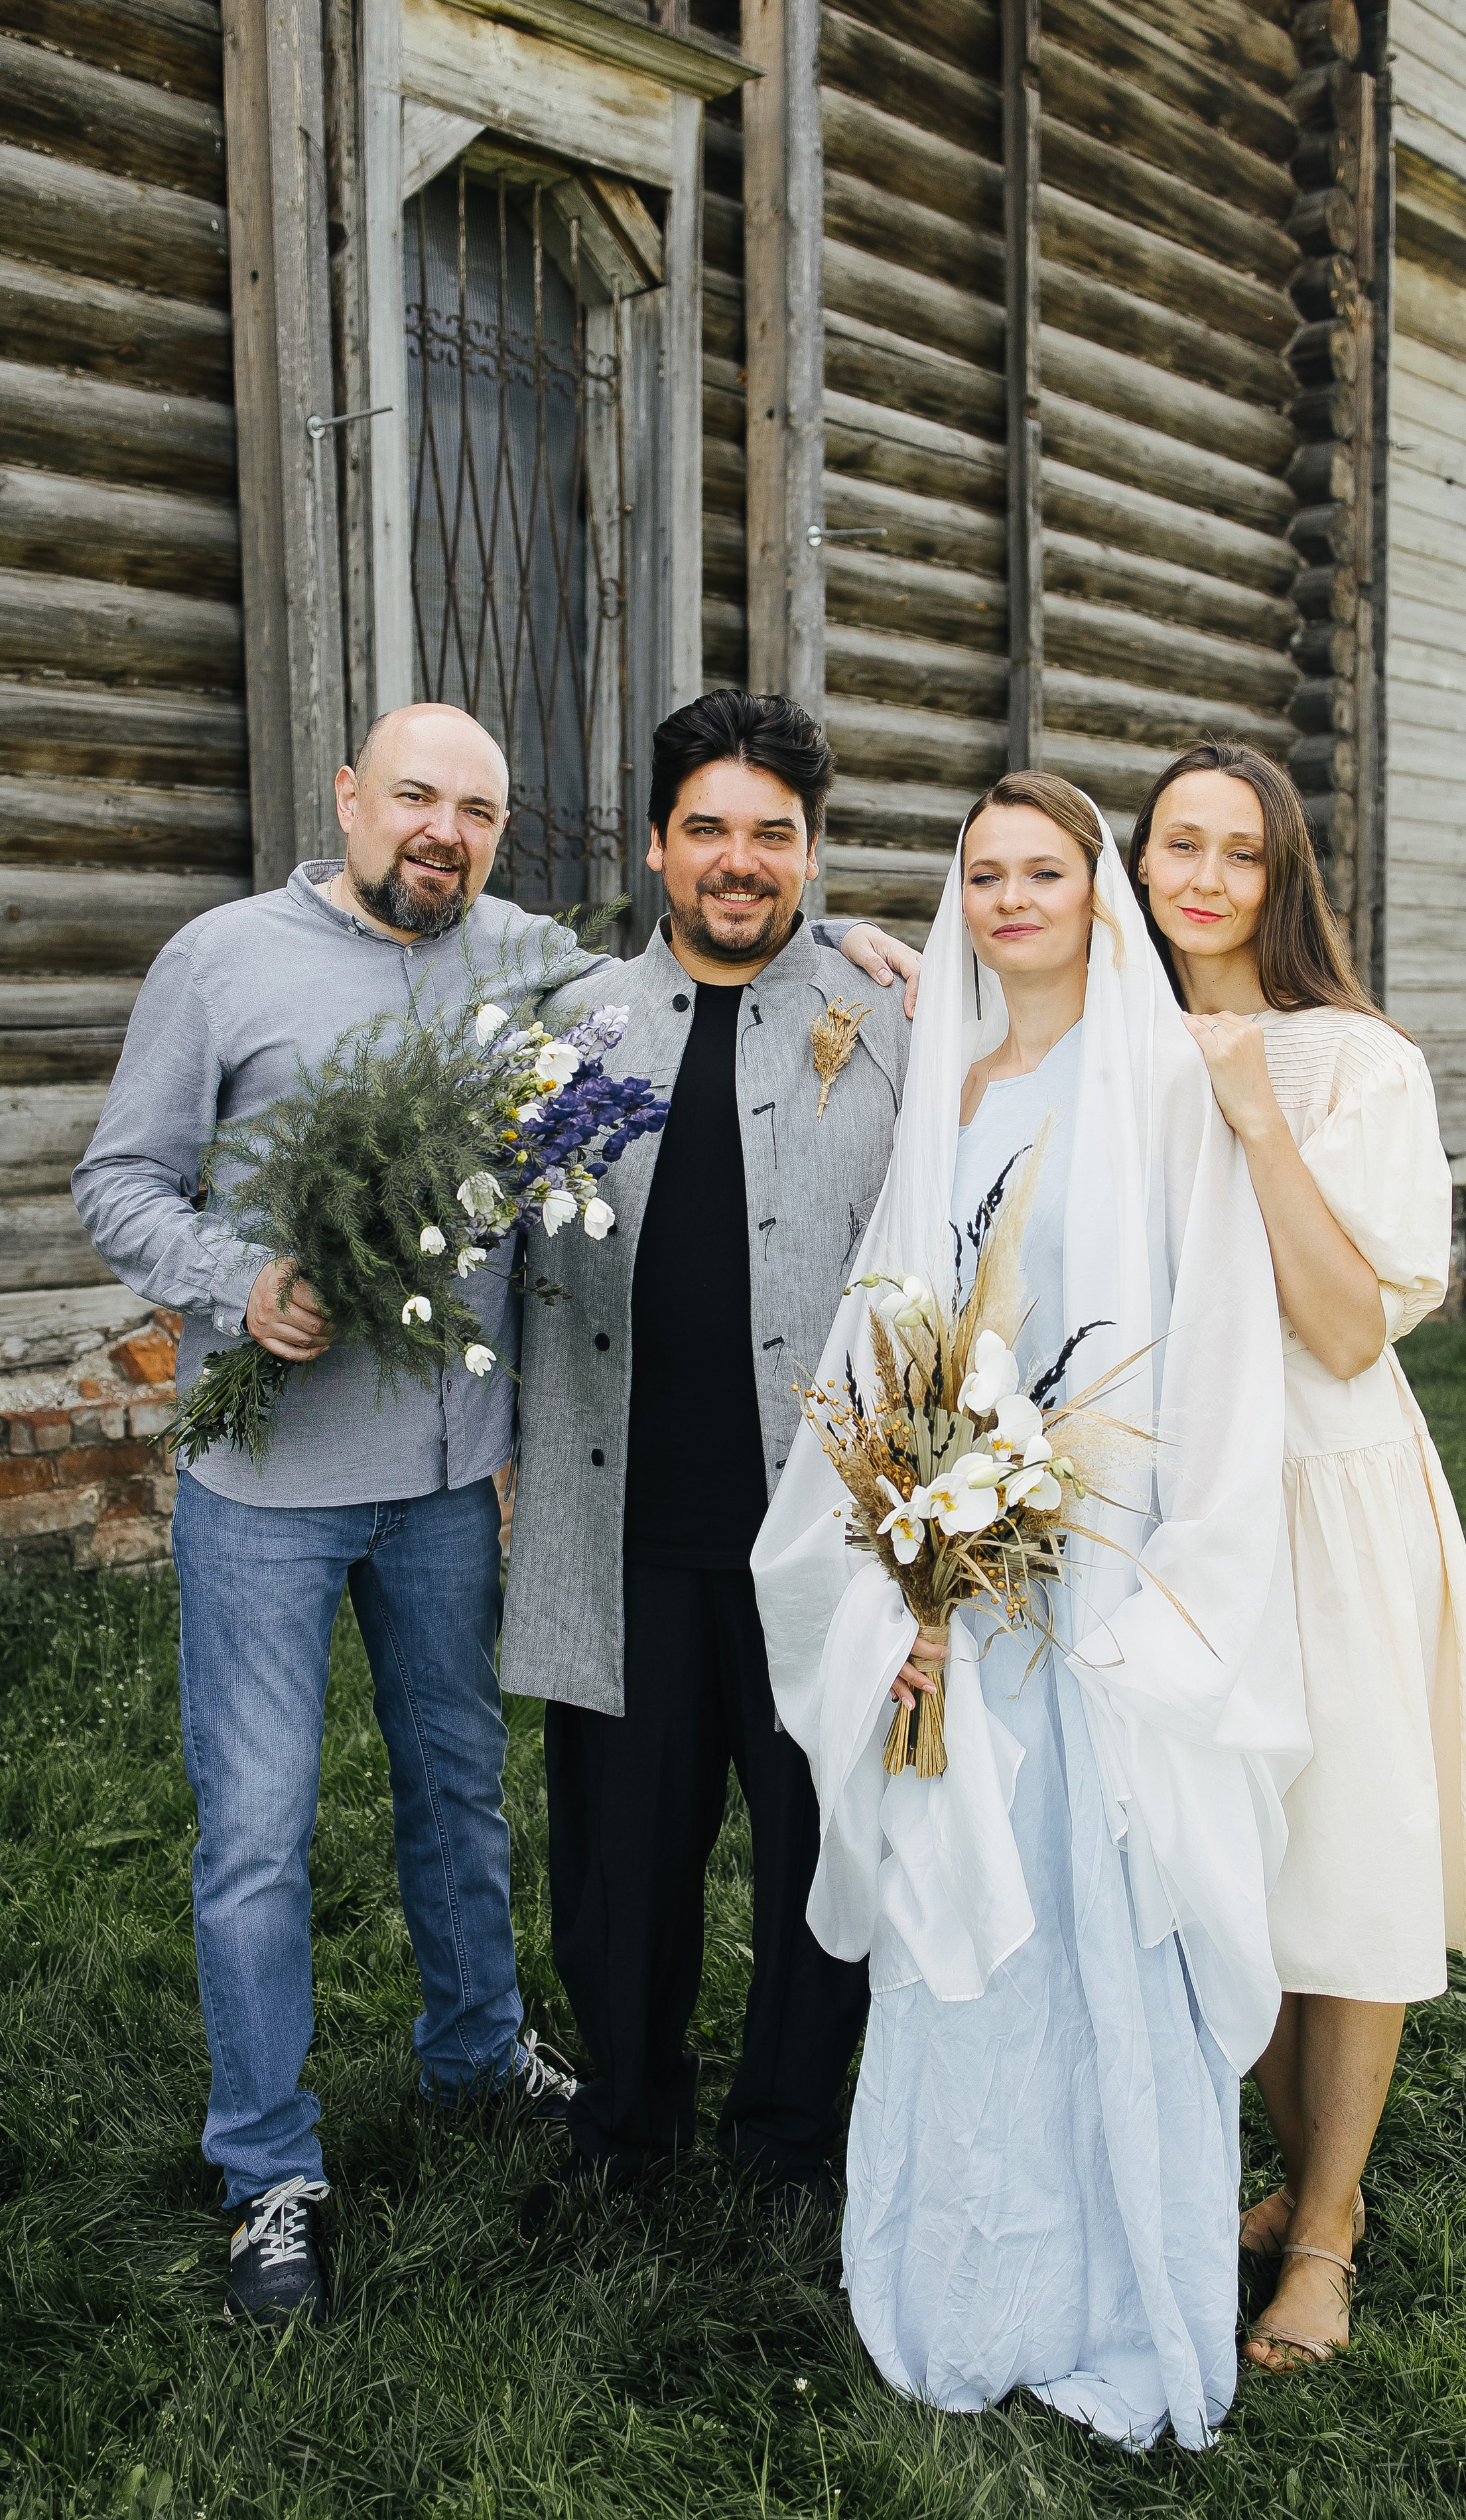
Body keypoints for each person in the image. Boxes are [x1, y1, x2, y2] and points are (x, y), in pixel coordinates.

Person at [71, 700, 913, 2327]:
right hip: (272, 1486)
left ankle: (484, 2059)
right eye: (410, 798)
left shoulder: (522, 964)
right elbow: (122, 1182)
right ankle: (270, 2166)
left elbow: (740, 930)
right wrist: (239, 1282)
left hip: (454, 1485)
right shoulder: (231, 962)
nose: (438, 831)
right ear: (346, 797)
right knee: (260, 1836)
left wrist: (869, 941)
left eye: (473, 808)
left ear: (504, 836)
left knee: (465, 1810)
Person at [752, 773, 1311, 2451]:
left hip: (1109, 1573)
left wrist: (1165, 1578)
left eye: (1041, 872)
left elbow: (1208, 1329)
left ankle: (1117, 2293)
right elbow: (895, 1320)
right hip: (963, 1583)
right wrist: (899, 1562)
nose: (1008, 899)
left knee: (1098, 1914)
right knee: (967, 1929)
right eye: (981, 875)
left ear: (1098, 891)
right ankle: (969, 2282)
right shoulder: (954, 1072)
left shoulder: (1154, 1081)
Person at [500, 688, 918, 2220]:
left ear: (811, 851)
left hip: (822, 1529)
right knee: (621, 1858)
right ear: (659, 844)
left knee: (822, 1842)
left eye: (772, 834)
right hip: (622, 1520)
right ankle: (622, 2125)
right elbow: (520, 1253)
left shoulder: (887, 1025)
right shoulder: (573, 1026)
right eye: (708, 830)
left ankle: (788, 2138)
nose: (738, 862)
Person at [1130, 739, 1466, 2371]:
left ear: (1280, 880)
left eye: (1239, 851)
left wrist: (1251, 1116)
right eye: (1177, 845)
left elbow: (1350, 1329)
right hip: (1173, 1504)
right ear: (1134, 866)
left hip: (1328, 1491)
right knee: (1224, 1860)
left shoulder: (1350, 1058)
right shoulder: (1103, 1044)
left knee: (1343, 1862)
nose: (1205, 877)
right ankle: (1262, 2181)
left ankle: (1326, 2226)